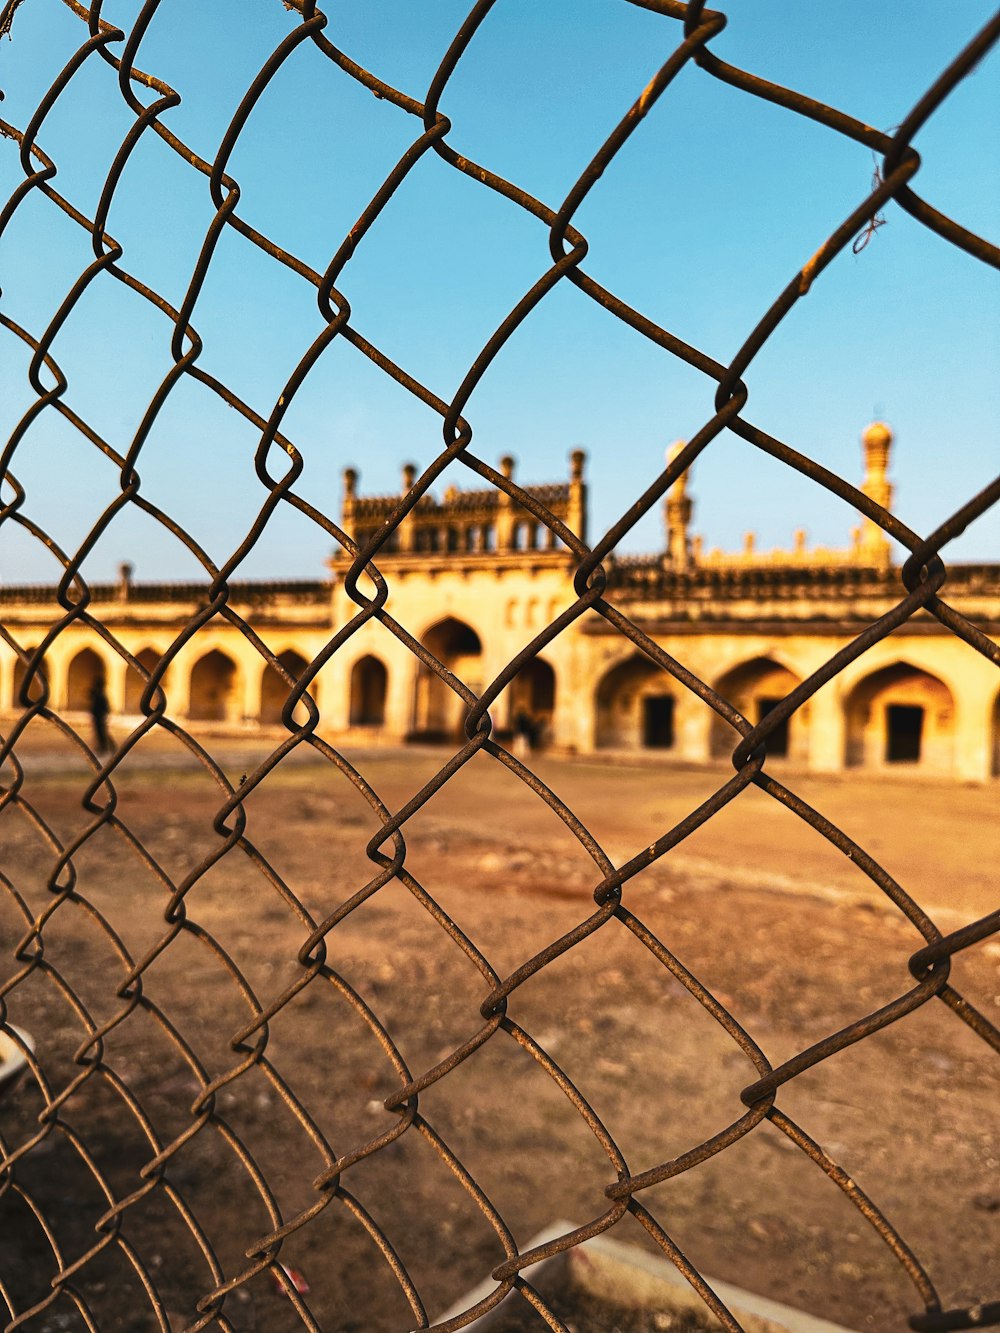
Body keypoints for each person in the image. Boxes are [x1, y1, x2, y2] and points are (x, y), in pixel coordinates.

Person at [89, 677, 112, 753]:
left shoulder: (100, 695)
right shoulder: (99, 694)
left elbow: (105, 706)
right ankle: (105, 747)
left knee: (101, 732)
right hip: (98, 716)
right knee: (101, 732)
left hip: (99, 716)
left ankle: (106, 747)